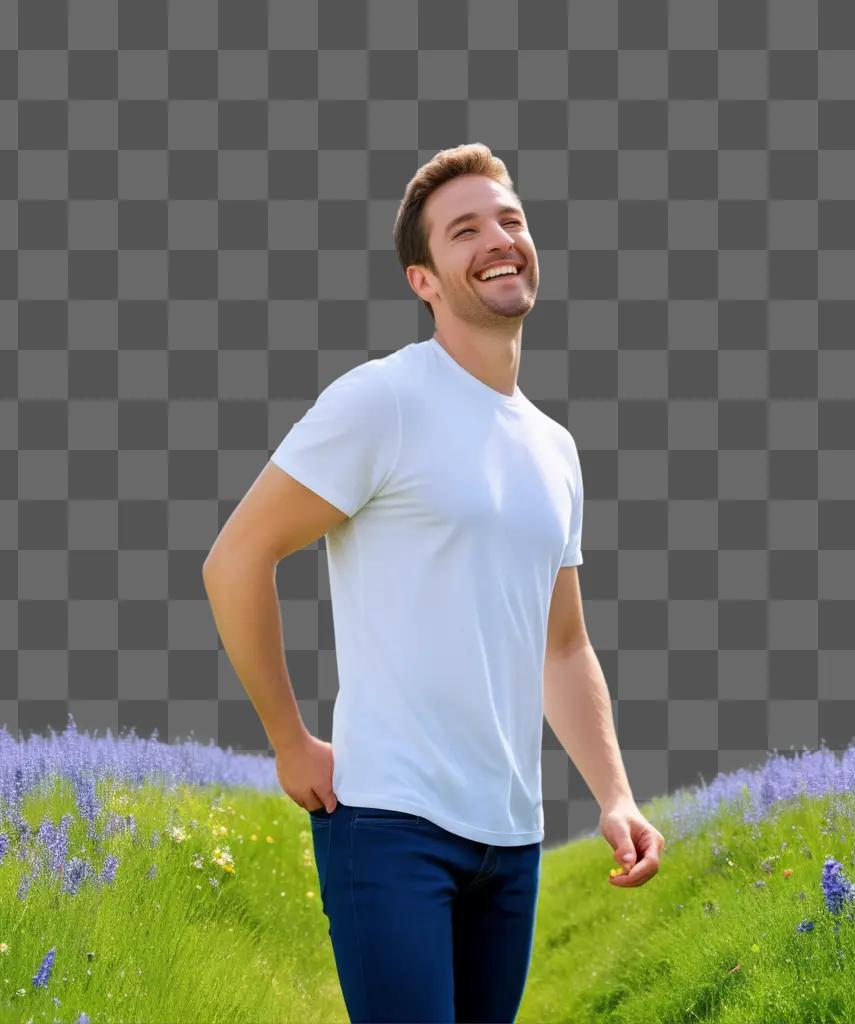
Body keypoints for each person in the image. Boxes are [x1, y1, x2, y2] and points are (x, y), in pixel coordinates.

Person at [203, 143, 585, 1023]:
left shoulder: (554, 449)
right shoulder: (383, 402)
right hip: (391, 824)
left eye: (511, 220)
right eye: (465, 231)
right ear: (424, 279)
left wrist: (613, 796)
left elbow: (562, 646)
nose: (499, 239)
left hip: (513, 836)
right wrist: (290, 741)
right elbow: (235, 560)